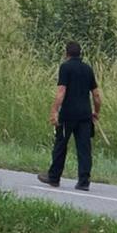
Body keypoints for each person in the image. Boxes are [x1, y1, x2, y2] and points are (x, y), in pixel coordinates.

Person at [36, 40, 100, 191]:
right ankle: (84, 182)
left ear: (66, 54)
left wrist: (54, 111)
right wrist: (96, 112)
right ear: (80, 53)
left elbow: (61, 92)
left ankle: (54, 177)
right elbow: (96, 95)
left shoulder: (65, 67)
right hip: (85, 116)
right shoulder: (87, 69)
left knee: (61, 145)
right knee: (84, 148)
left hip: (68, 115)